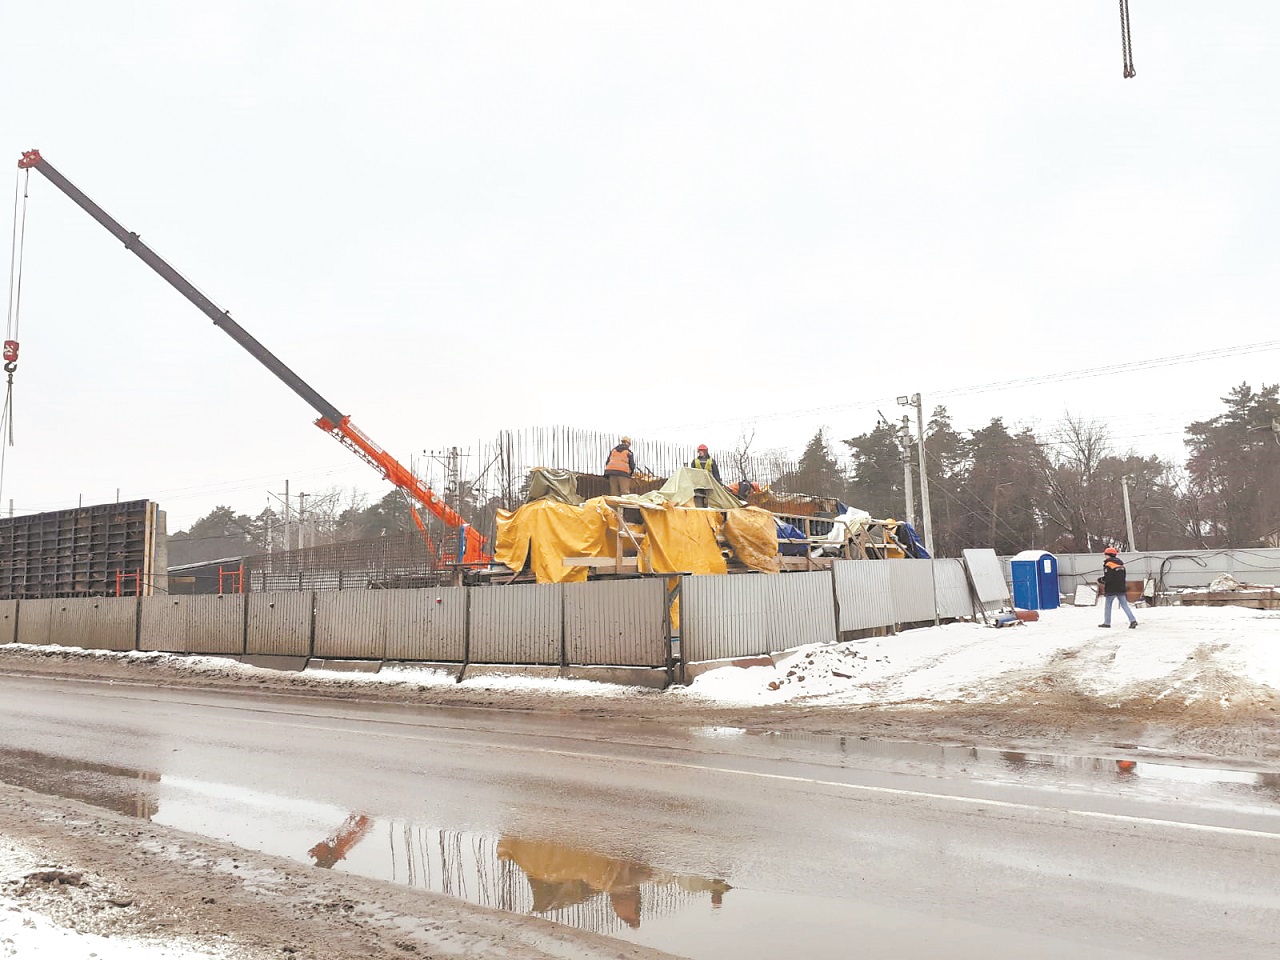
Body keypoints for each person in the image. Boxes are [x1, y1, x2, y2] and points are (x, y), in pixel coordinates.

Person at [1097, 546, 1138, 628]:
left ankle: (1107, 623)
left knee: (1108, 606)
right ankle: (1133, 620)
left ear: (1108, 555)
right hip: (1121, 587)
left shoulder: (1108, 564)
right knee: (1124, 605)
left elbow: (1108, 578)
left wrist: (1100, 580)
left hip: (1111, 589)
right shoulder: (1121, 564)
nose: (1105, 556)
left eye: (1106, 555)